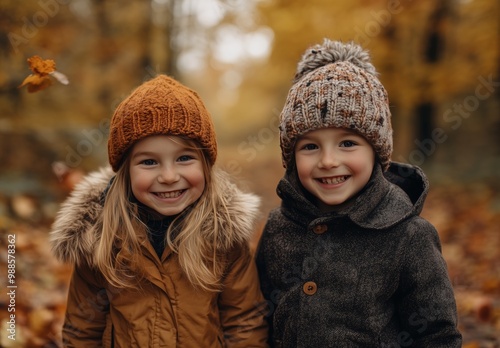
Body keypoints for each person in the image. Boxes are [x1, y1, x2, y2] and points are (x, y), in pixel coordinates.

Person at [256, 39, 462, 347]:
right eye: (310, 146)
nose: (328, 161)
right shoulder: (279, 227)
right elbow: (261, 316)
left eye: (347, 143)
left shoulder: (408, 237)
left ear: (376, 152)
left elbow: (437, 335)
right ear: (291, 157)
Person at [50, 75, 269, 347]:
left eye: (184, 158)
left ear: (205, 164)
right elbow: (82, 330)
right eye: (149, 161)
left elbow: (245, 323)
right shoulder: (100, 240)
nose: (168, 176)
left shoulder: (224, 241)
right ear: (126, 171)